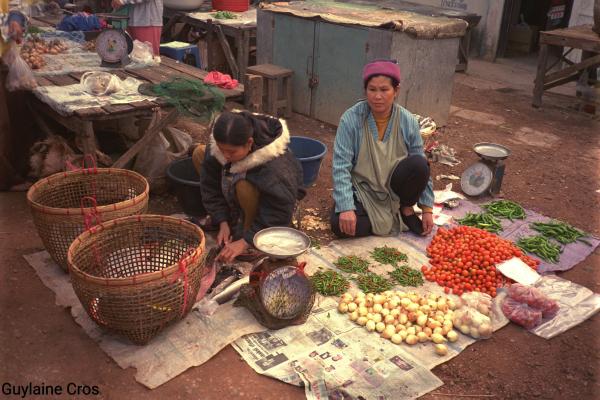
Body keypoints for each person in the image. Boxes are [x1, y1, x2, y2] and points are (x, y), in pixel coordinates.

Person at [330, 59, 434, 238]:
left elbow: (422, 166)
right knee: (341, 226)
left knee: (419, 165)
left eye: (384, 89)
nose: (377, 96)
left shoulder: (407, 121)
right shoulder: (351, 119)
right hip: (363, 191)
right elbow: (341, 166)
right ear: (365, 91)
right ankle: (388, 217)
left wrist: (427, 209)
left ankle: (405, 208)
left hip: (395, 188)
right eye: (372, 89)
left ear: (396, 91)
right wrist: (346, 207)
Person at [196, 111, 306, 263]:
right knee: (200, 153)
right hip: (235, 193)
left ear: (249, 143)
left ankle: (252, 237)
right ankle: (233, 221)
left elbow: (279, 209)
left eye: (232, 152)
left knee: (244, 187)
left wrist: (246, 241)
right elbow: (210, 185)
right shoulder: (220, 147)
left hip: (276, 207)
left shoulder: (274, 166)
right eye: (222, 150)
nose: (226, 155)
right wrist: (222, 220)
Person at [0, 0, 28, 190]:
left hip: (4, 56)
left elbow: (17, 5)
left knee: (16, 116)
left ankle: (16, 170)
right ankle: (5, 178)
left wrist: (16, 20)